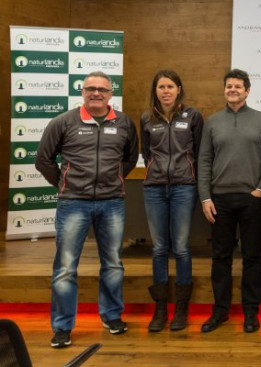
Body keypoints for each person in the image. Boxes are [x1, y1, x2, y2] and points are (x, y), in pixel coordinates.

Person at [36, 71, 138, 348]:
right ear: (82, 92)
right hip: (73, 203)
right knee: (66, 268)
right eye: (90, 88)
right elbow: (43, 159)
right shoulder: (63, 122)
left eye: (102, 89)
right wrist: (63, 183)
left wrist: (113, 179)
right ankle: (62, 326)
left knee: (114, 264)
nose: (96, 93)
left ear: (110, 93)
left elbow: (130, 158)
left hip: (112, 202)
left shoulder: (124, 123)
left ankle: (112, 316)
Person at [198, 69, 261, 333]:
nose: (233, 89)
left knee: (252, 256)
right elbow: (204, 160)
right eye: (229, 85)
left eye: (238, 86)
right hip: (219, 199)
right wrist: (205, 196)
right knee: (221, 258)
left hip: (252, 198)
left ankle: (251, 312)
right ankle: (220, 311)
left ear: (247, 90)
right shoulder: (213, 122)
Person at [140, 70, 203, 332]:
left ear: (179, 89)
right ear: (155, 90)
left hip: (183, 187)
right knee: (158, 249)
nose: (165, 91)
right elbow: (146, 152)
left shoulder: (193, 116)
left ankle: (181, 307)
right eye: (160, 87)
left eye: (170, 86)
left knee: (181, 248)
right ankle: (160, 308)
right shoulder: (146, 118)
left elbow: (199, 152)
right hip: (154, 188)